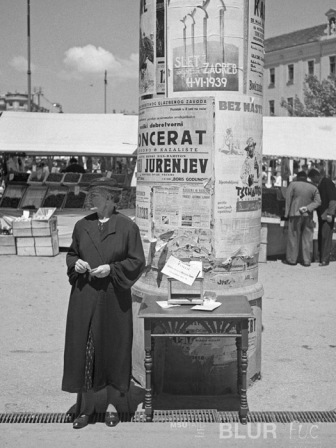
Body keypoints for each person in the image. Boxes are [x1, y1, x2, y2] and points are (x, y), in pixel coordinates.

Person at [62, 177, 145, 429]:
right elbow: (72, 253)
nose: (90, 199)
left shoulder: (127, 227)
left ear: (109, 198)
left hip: (113, 298)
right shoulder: (81, 226)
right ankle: (85, 407)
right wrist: (74, 263)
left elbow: (136, 262)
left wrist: (111, 268)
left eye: (95, 195)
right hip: (84, 297)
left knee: (113, 351)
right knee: (86, 351)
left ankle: (112, 406)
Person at [284, 171, 321, 266]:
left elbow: (288, 200)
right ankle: (307, 260)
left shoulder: (293, 185)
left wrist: (286, 214)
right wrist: (308, 208)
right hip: (308, 215)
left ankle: (292, 260)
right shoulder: (313, 187)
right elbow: (318, 202)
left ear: (298, 177)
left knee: (293, 237)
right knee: (307, 238)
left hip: (294, 214)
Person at [308, 168, 336, 266]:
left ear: (316, 176)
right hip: (322, 215)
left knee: (326, 237)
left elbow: (333, 199)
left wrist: (330, 214)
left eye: (312, 179)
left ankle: (325, 260)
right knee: (322, 236)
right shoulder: (322, 183)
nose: (312, 181)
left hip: (326, 215)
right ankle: (321, 258)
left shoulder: (326, 182)